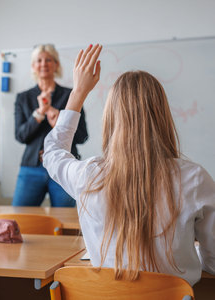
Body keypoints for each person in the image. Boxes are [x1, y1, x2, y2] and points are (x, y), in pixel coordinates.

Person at [43, 44, 215, 285]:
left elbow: (52, 153)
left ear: (111, 119)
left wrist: (78, 92)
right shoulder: (194, 179)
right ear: (162, 116)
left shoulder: (88, 175)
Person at [13, 44, 88, 207]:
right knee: (21, 218)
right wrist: (39, 113)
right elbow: (20, 136)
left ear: (56, 64)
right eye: (39, 60)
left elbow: (83, 136)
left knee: (66, 220)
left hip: (64, 168)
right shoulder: (23, 98)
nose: (43, 64)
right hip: (31, 169)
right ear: (33, 66)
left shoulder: (71, 95)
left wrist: (61, 123)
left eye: (48, 60)